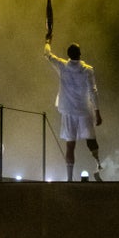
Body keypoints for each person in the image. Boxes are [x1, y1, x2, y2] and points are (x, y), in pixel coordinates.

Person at [43, 38, 103, 180]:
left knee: (70, 145)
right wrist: (97, 112)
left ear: (68, 55)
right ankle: (98, 166)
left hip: (69, 111)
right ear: (80, 54)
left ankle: (70, 178)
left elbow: (47, 54)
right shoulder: (87, 70)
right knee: (91, 139)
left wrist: (48, 41)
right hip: (83, 110)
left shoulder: (63, 66)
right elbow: (93, 91)